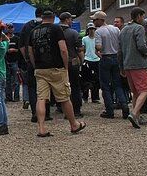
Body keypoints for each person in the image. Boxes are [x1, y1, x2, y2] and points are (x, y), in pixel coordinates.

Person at [30, 8, 84, 137]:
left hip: (40, 68)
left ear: (42, 18)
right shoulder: (56, 29)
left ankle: (41, 128)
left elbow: (30, 51)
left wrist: (35, 65)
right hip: (56, 67)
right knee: (64, 97)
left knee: (41, 98)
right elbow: (63, 49)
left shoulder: (34, 31)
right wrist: (65, 66)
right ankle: (73, 124)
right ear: (53, 18)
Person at [92, 11, 129, 121]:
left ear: (100, 20)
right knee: (117, 84)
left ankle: (109, 111)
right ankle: (124, 106)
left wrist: (97, 50)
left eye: (94, 20)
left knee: (105, 86)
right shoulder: (116, 29)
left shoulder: (98, 31)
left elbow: (98, 47)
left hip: (105, 58)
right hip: (116, 57)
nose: (93, 22)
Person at [119, 7, 147, 129]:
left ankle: (137, 116)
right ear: (138, 16)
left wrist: (121, 66)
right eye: (143, 17)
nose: (143, 19)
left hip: (127, 64)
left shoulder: (123, 30)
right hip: (139, 64)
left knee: (135, 92)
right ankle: (134, 113)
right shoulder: (139, 28)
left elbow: (120, 50)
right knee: (144, 90)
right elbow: (141, 45)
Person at [58, 12, 84, 118]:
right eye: (71, 20)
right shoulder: (73, 33)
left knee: (61, 87)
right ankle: (76, 110)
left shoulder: (54, 32)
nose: (72, 22)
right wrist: (82, 61)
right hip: (72, 62)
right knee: (75, 86)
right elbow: (80, 49)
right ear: (67, 20)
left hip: (58, 63)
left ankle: (62, 108)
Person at [81, 23, 100, 104]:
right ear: (87, 30)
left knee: (96, 79)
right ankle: (85, 96)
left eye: (93, 29)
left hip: (97, 60)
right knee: (86, 79)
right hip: (87, 59)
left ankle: (95, 97)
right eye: (90, 29)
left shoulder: (97, 39)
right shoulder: (84, 39)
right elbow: (83, 49)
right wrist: (83, 60)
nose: (91, 31)